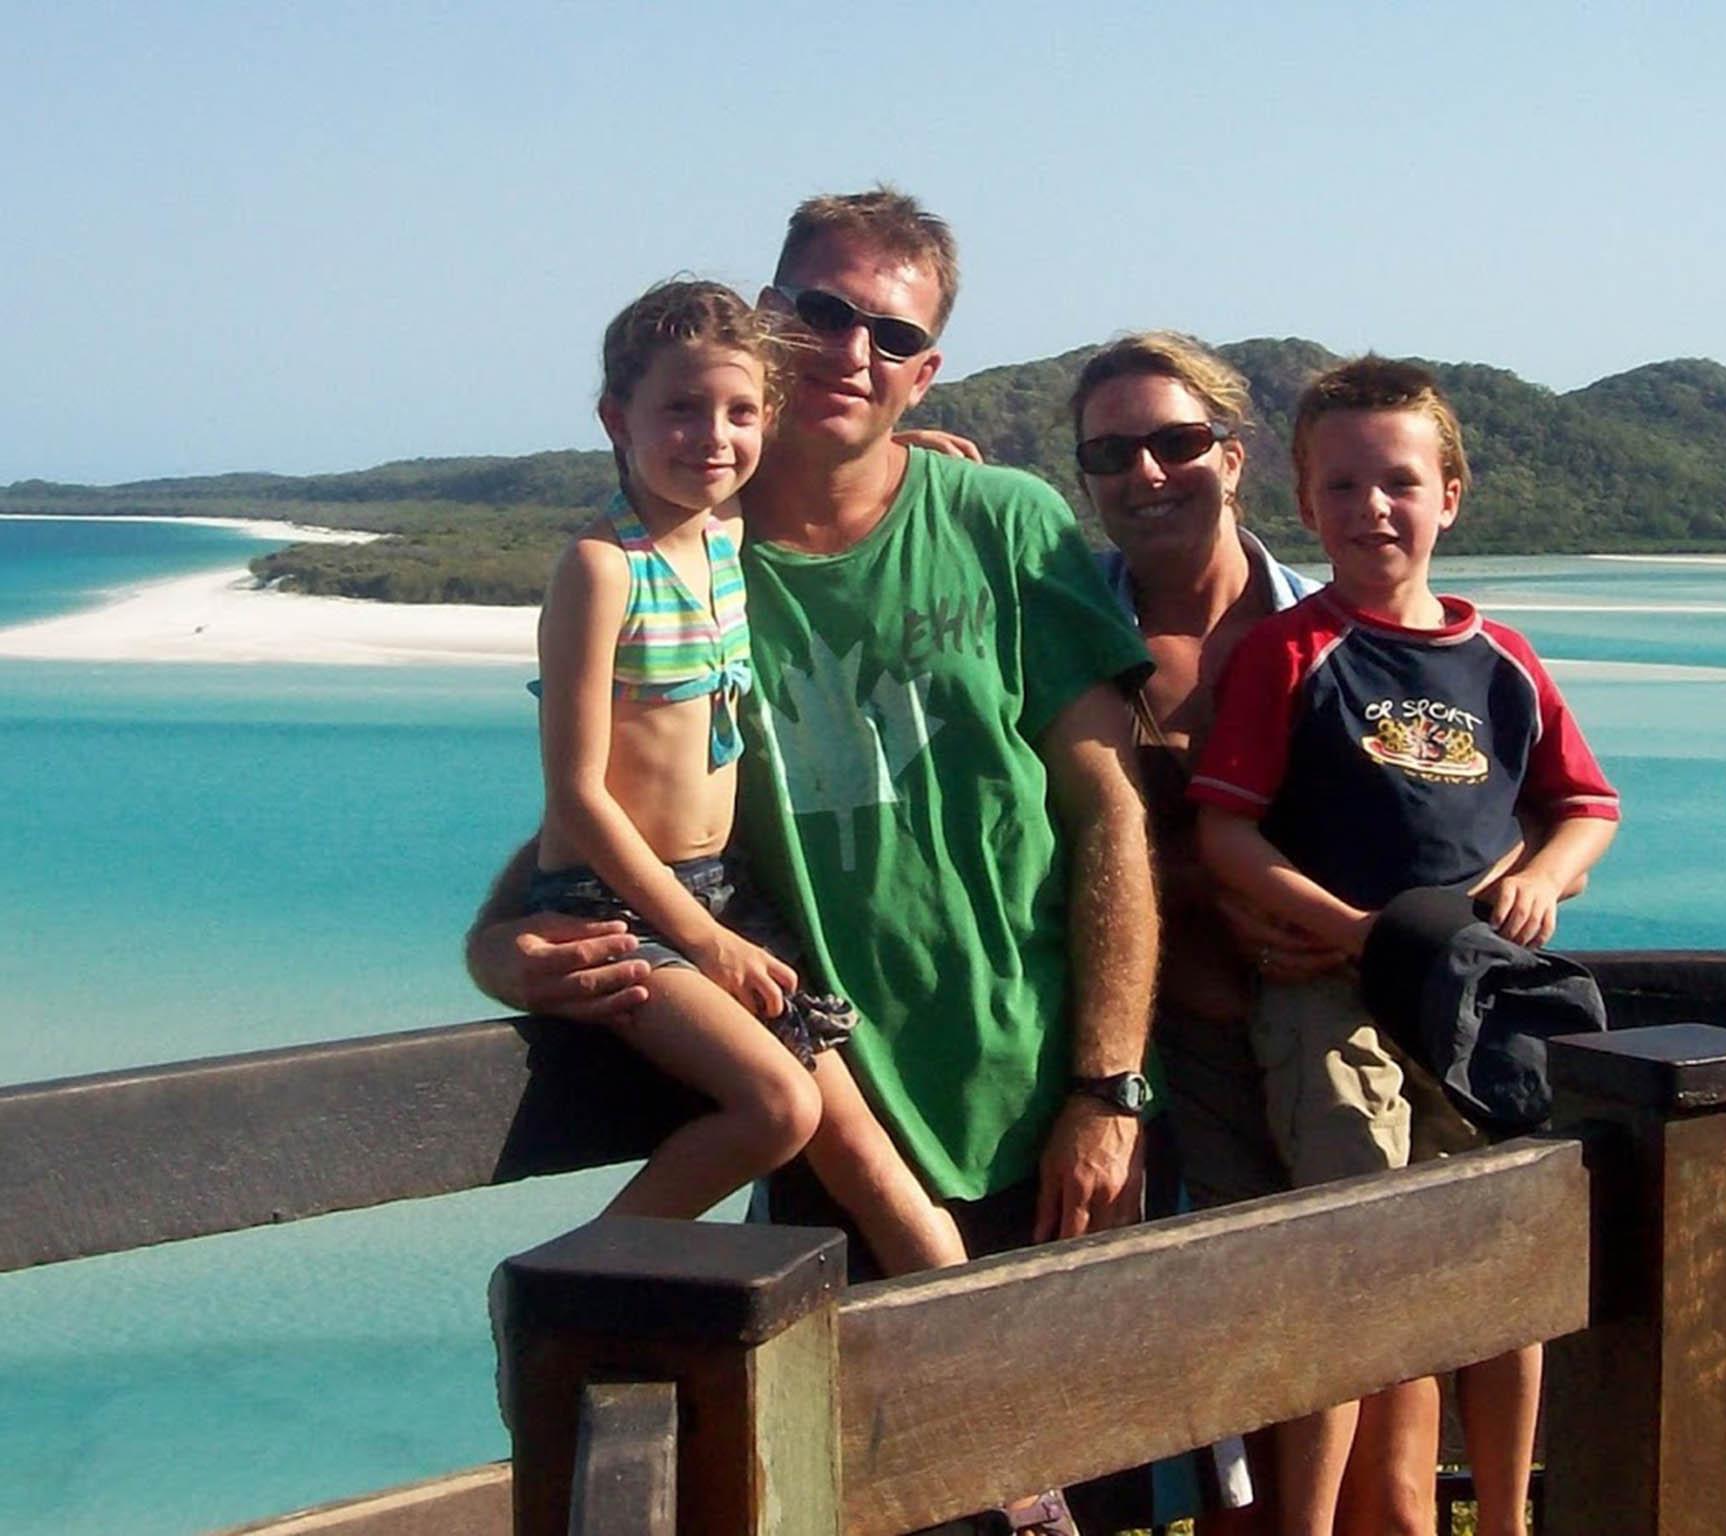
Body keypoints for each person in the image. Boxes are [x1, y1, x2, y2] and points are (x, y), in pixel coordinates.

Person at [470, 189, 1158, 1534]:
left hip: (1038, 1106)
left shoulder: (1000, 521)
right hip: (813, 1076)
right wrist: (496, 945)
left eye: (891, 336)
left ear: (927, 370)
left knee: (1073, 1469)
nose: (852, 351)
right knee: (836, 1490)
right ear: (770, 327)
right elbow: (619, 795)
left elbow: (1114, 816)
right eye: (821, 315)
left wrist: (1111, 1085)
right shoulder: (697, 554)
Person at [1191, 356, 1621, 1536]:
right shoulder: (1292, 652)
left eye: (1396, 482)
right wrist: (1343, 932)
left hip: (1470, 1008)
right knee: (1350, 1250)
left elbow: (1585, 807)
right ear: (1303, 498)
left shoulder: (1502, 660)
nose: (1369, 508)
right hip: (1328, 1000)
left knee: (1497, 1264)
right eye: (1339, 486)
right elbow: (1225, 828)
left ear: (1449, 494)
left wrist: (1539, 879)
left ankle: (1503, 1515)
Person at [522, 277, 966, 1277]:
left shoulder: (724, 531)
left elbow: (829, 476)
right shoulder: (601, 569)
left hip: (724, 897)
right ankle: (567, 1285)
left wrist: (910, 456)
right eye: (678, 410)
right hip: (622, 909)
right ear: (613, 420)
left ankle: (985, 1361)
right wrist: (702, 942)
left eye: (737, 412)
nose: (711, 438)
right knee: (778, 1106)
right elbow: (579, 793)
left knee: (868, 1157)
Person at [1072, 333, 1438, 1536]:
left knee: (1377, 1381)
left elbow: (1472, 808)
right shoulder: (1064, 627)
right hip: (1146, 1069)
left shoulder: (1344, 629)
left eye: (1177, 441)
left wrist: (1367, 937)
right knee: (1213, 1417)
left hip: (1342, 1049)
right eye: (1111, 452)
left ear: (1232, 458)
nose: (1147, 471)